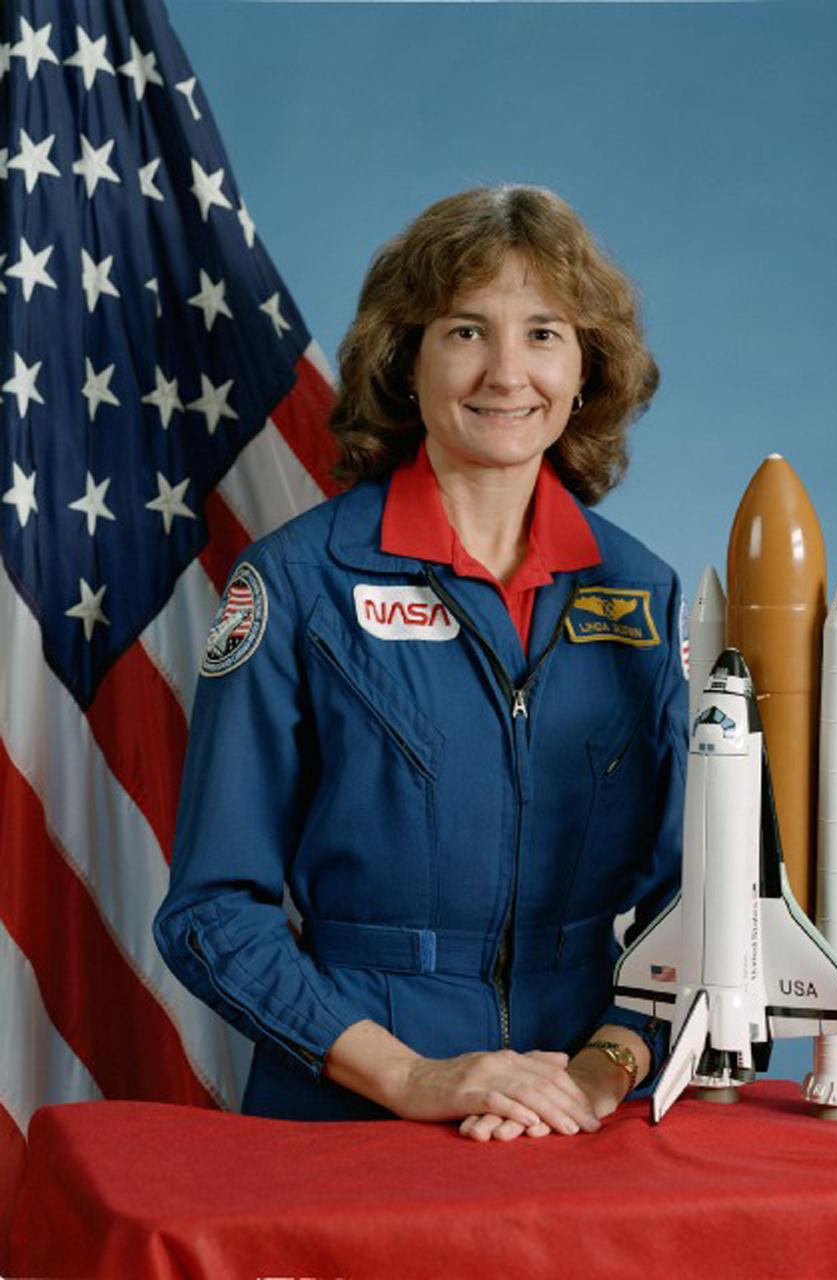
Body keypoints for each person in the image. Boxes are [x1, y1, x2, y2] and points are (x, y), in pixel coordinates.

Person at [154, 185, 689, 1142]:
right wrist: (412, 1077)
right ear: (406, 361)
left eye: (543, 333)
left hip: (580, 1119)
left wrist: (602, 1070)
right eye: (465, 331)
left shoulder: (640, 595)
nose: (506, 373)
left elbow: (691, 899)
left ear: (585, 369)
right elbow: (212, 913)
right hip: (349, 1111)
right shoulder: (298, 583)